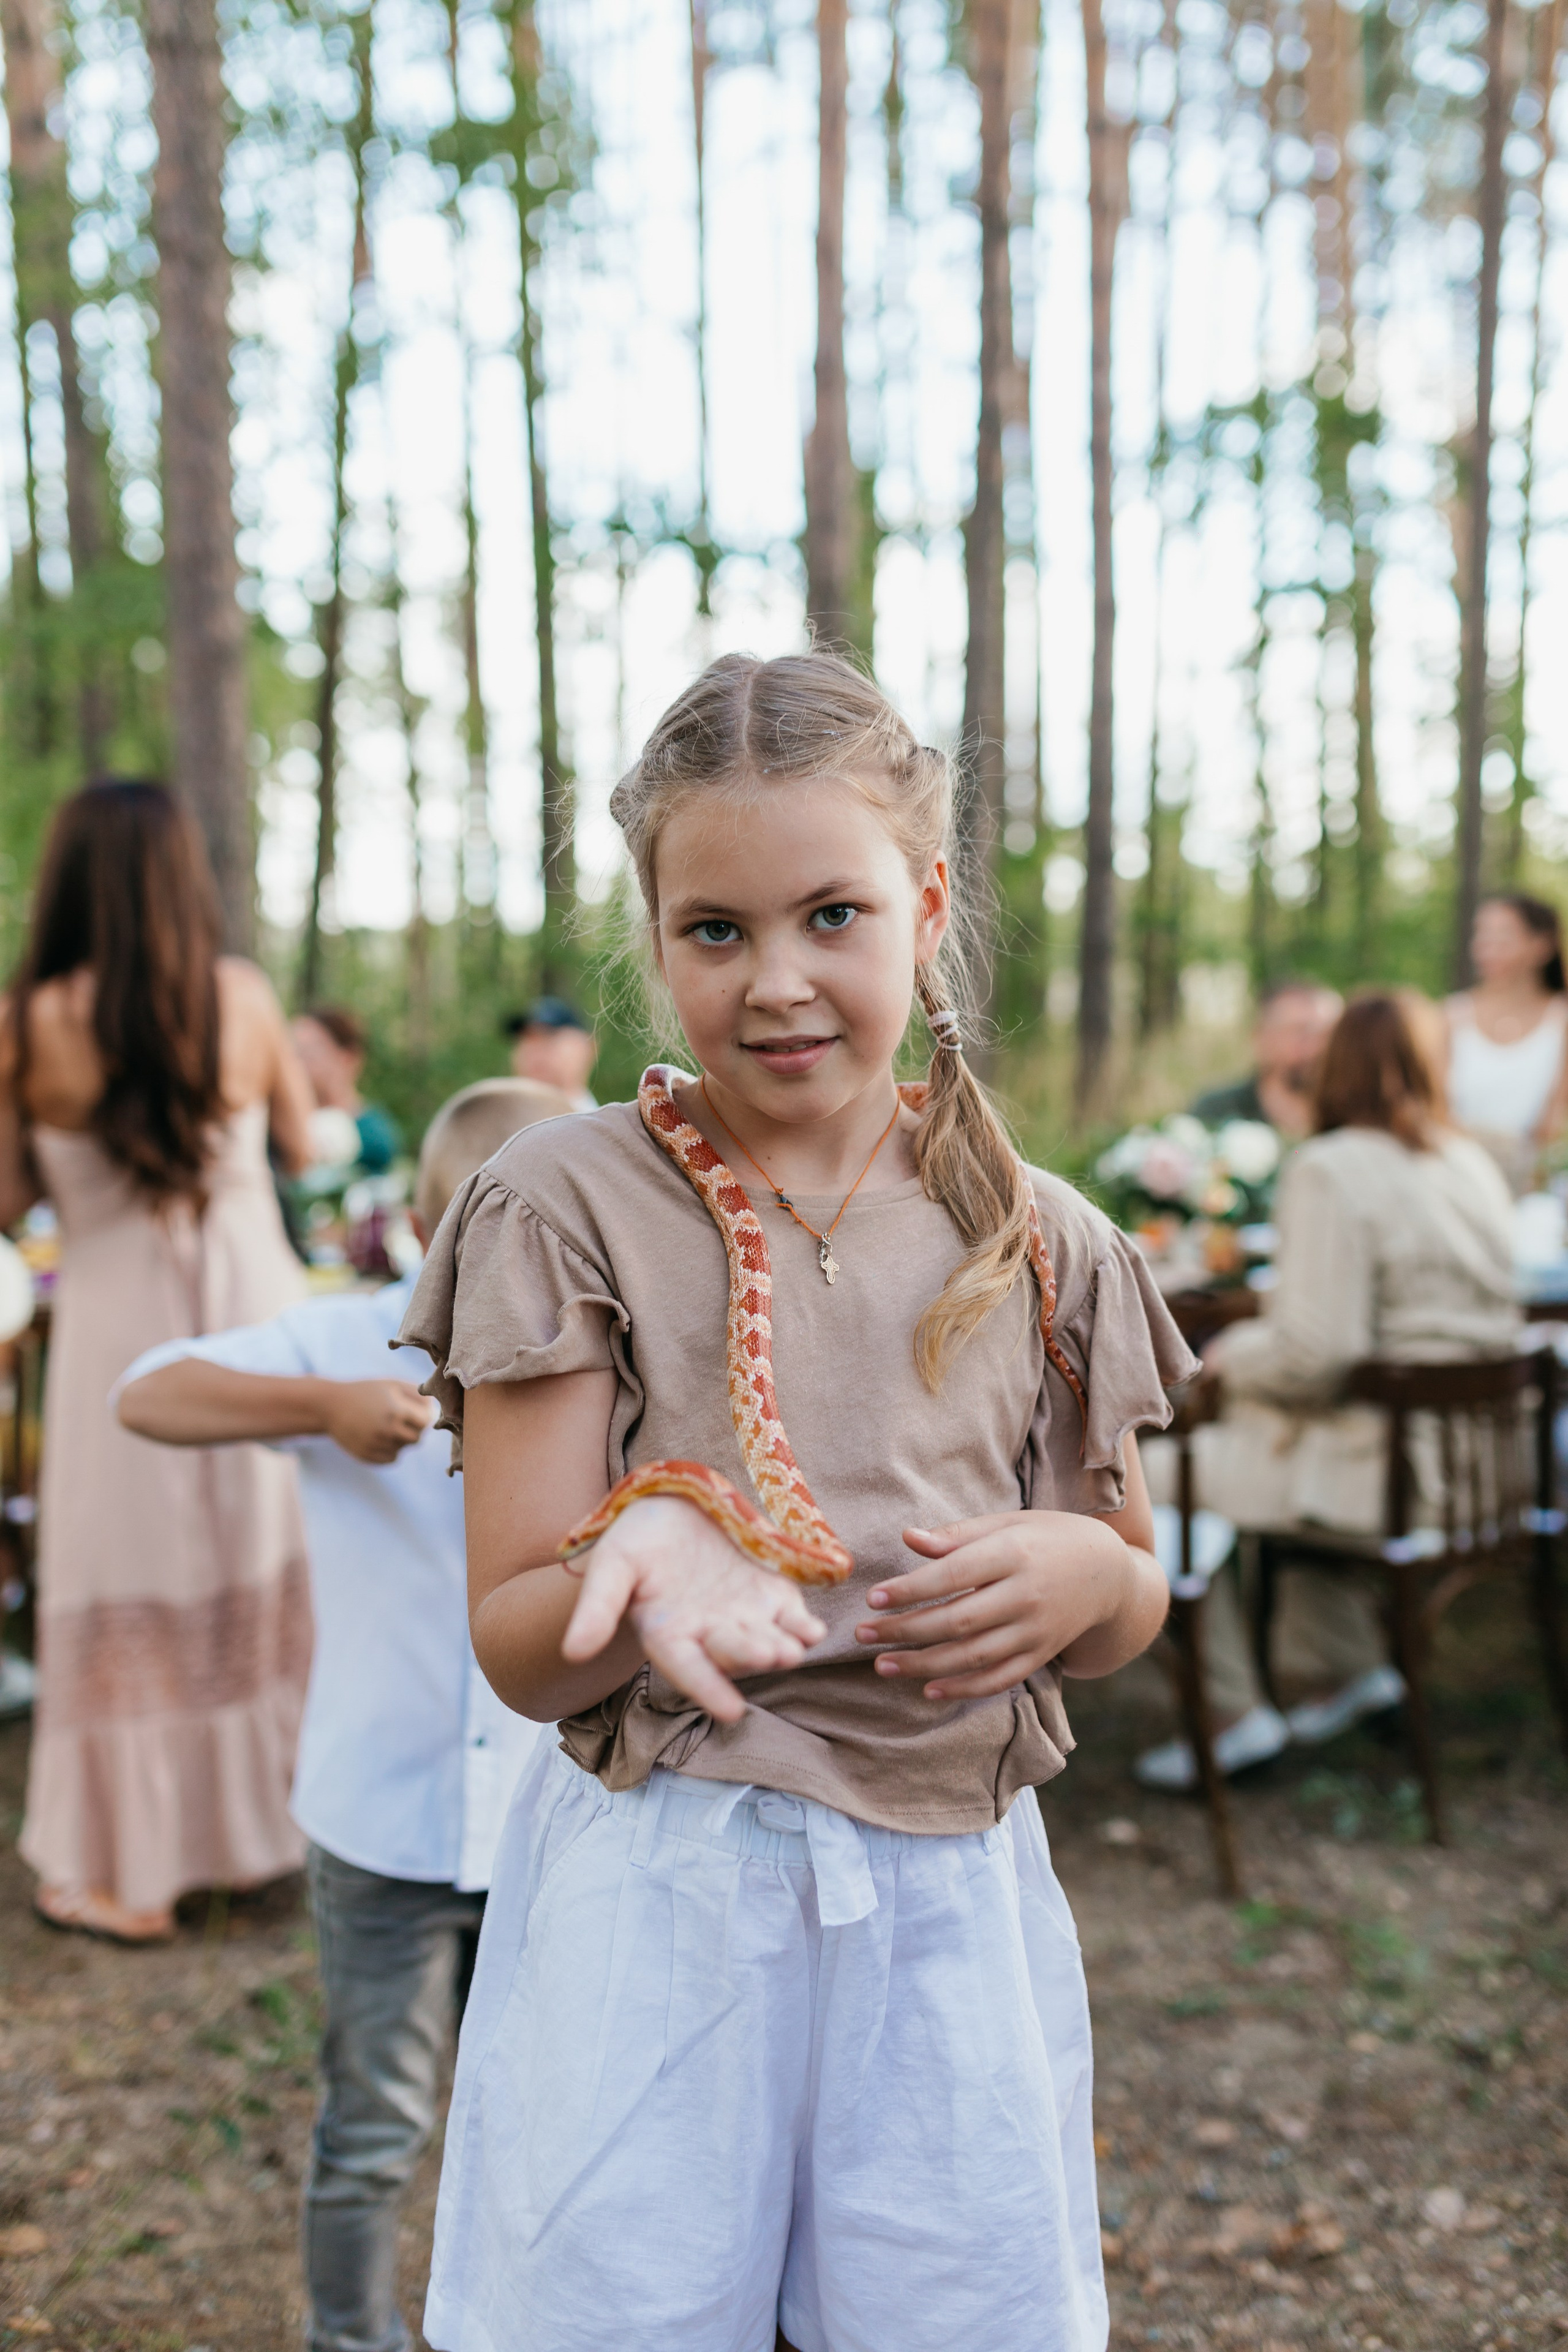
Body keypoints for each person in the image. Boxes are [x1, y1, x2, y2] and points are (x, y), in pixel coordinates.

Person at [401, 650, 1196, 2352]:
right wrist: (637, 1547)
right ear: (654, 934)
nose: (778, 983)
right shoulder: (564, 1202)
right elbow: (523, 1651)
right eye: (717, 931)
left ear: (920, 908)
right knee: (626, 2311)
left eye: (832, 917)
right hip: (668, 1891)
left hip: (947, 1902)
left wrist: (1083, 1571)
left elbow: (1132, 1590)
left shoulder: (1036, 1236)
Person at [115, 1077, 571, 2352]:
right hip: (385, 1824)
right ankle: (348, 2338)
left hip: (556, 1821)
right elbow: (146, 1392)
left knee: (547, 2119)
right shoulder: (346, 1341)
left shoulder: (617, 1359)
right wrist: (320, 1411)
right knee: (373, 2125)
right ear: (422, 1235)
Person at [0, 779, 317, 1943]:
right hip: (252, 1313)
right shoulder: (240, 998)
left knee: (122, 1567)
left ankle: (136, 1874)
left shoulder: (27, 1021)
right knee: (261, 1547)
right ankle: (276, 1830)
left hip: (120, 1337)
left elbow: (6, 1194)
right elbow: (299, 1140)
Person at [1137, 991, 1520, 1790]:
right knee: (1257, 1452)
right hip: (1484, 1470)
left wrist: (1234, 1354)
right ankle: (1347, 1669)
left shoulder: (1330, 1167)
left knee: (1127, 1486)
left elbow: (1318, 1353)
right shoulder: (1469, 1163)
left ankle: (1233, 1715)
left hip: (1381, 1476)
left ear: (1336, 1065)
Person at [1446, 891, 1568, 1192]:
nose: (1486, 948)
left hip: (1537, 1186)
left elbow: (1558, 1120)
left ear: (1542, 946)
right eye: (1481, 935)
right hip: (1456, 1179)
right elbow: (1434, 1108)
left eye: (1503, 937)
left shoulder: (1561, 1019)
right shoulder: (1451, 1016)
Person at [1191, 975, 1343, 1139]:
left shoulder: (1355, 1115)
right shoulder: (1216, 1112)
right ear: (1261, 1038)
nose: (1317, 1047)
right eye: (1301, 1033)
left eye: (1329, 1035)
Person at [292, 1005, 402, 1174]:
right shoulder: (286, 1125)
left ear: (347, 1059)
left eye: (310, 1053)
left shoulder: (374, 1134)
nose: (298, 1064)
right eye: (294, 1053)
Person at [503, 995, 598, 1109]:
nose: (535, 1051)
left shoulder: (609, 1125)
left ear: (586, 1047)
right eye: (527, 1040)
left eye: (548, 1037)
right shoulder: (494, 1119)